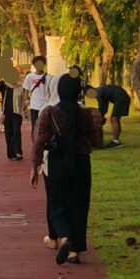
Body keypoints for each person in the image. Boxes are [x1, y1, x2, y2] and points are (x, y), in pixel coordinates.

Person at [31, 73, 103, 264]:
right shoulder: (88, 114)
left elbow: (40, 141)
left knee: (57, 202)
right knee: (79, 205)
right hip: (81, 163)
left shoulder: (49, 112)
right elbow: (96, 141)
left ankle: (64, 238)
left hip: (57, 162)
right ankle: (74, 252)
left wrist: (35, 166)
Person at [94, 78, 132, 147]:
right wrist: (101, 117)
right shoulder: (100, 91)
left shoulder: (98, 93)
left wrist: (99, 119)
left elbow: (102, 107)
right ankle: (116, 140)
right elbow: (104, 108)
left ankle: (116, 142)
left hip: (121, 98)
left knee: (114, 119)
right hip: (122, 98)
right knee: (115, 119)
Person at [0, 78, 24, 161]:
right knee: (8, 133)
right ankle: (11, 153)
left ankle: (18, 152)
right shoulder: (5, 87)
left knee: (16, 132)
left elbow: (23, 99)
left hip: (17, 113)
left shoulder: (20, 88)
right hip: (7, 113)